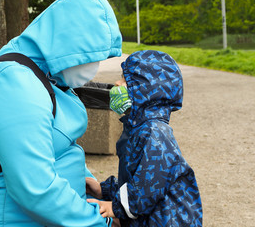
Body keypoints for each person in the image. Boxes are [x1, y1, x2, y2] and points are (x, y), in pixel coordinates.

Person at [0, 0, 122, 227]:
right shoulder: (15, 83)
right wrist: (100, 223)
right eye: (88, 57)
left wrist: (95, 191)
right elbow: (35, 189)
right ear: (65, 45)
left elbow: (60, 148)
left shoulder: (46, 75)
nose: (94, 67)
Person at [87, 50, 203, 226]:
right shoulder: (137, 128)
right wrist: (104, 190)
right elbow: (137, 178)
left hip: (169, 220)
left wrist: (115, 207)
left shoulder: (154, 132)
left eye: (126, 80)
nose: (117, 83)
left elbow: (150, 184)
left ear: (147, 91)